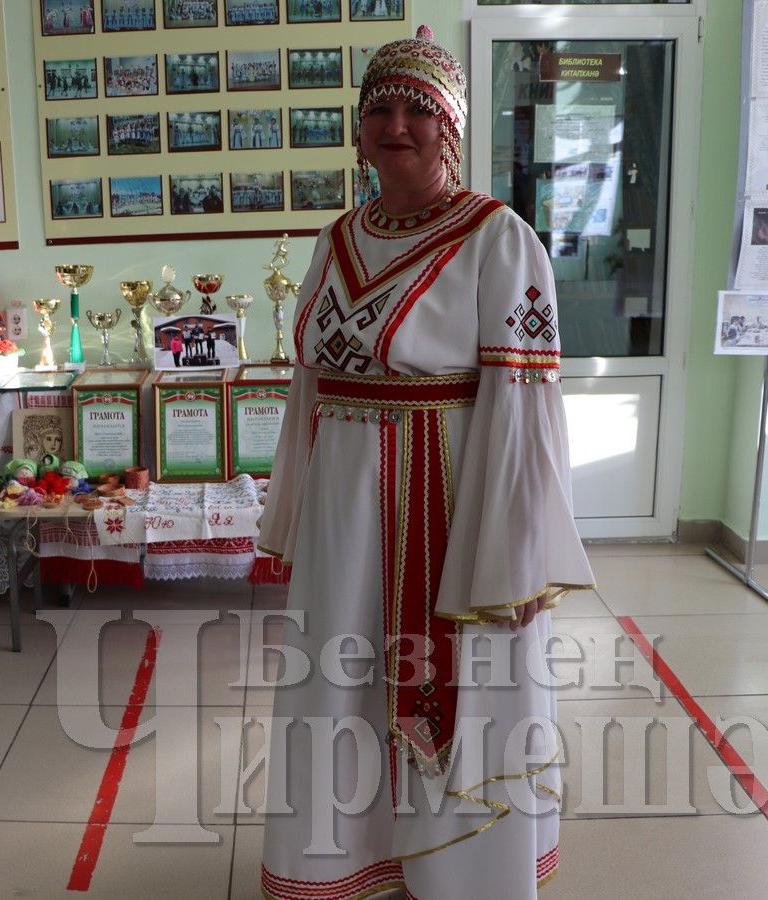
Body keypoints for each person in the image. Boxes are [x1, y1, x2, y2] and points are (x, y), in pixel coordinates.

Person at [257, 26, 594, 899]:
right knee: (340, 668)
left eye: (418, 109)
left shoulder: (496, 237)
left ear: (450, 127)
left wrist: (515, 542)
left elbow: (522, 405)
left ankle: (463, 872)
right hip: (344, 503)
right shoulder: (338, 238)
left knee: (465, 681)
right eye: (379, 109)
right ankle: (349, 855)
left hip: (451, 493)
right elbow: (309, 388)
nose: (395, 125)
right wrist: (292, 509)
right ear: (358, 129)